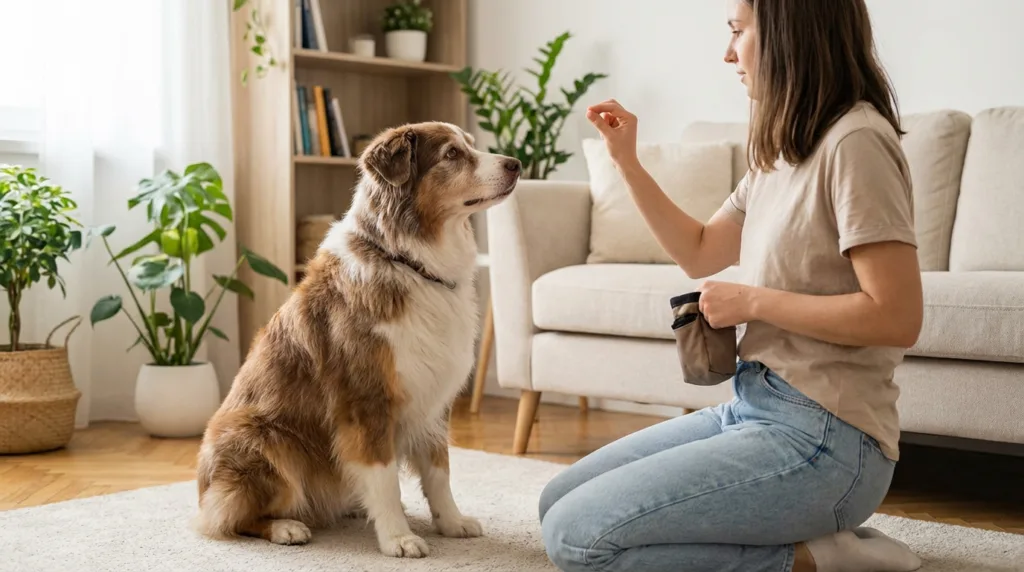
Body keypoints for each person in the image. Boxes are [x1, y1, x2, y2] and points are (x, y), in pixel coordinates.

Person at [537, 1, 926, 571]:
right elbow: (698, 252)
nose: (727, 53)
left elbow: (896, 316)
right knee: (556, 504)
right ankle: (812, 546)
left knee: (577, 540)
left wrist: (751, 300)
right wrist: (627, 162)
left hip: (829, 439)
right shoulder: (782, 148)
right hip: (753, 405)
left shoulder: (856, 143)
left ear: (790, 34)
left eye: (737, 33)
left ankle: (816, 559)